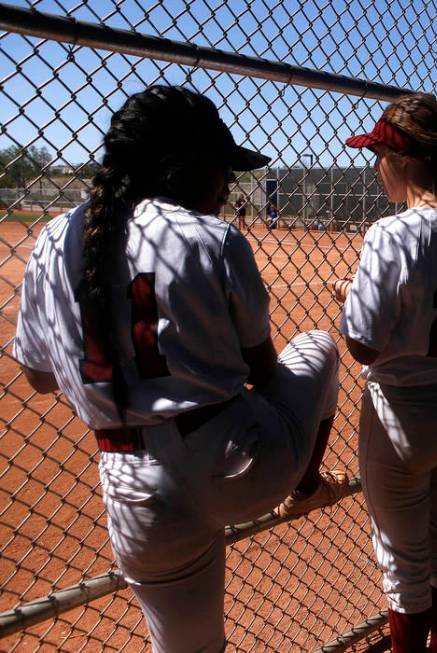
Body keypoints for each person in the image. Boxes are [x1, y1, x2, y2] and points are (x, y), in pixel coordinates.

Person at [11, 86, 346, 653]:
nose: (226, 187)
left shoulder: (54, 240)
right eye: (222, 170)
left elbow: (39, 378)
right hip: (242, 464)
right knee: (318, 345)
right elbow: (266, 374)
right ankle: (308, 483)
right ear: (184, 166)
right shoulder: (211, 237)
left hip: (132, 486)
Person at [333, 93, 437, 653]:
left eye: (379, 154)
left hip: (404, 414)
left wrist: (351, 298)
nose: (376, 166)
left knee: (404, 567)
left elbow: (362, 346)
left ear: (404, 161)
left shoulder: (393, 233)